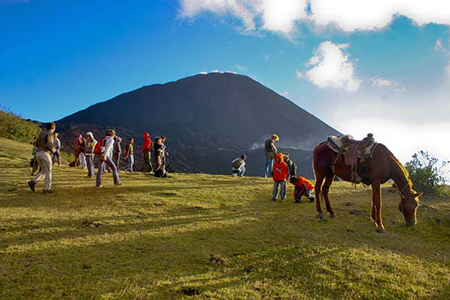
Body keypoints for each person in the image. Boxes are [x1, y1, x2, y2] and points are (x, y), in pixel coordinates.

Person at [28, 122, 56, 194]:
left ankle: (33, 181)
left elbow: (36, 144)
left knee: (44, 171)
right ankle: (47, 188)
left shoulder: (41, 134)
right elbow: (49, 145)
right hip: (44, 153)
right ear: (52, 128)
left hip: (38, 153)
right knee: (49, 171)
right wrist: (53, 150)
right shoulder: (50, 134)